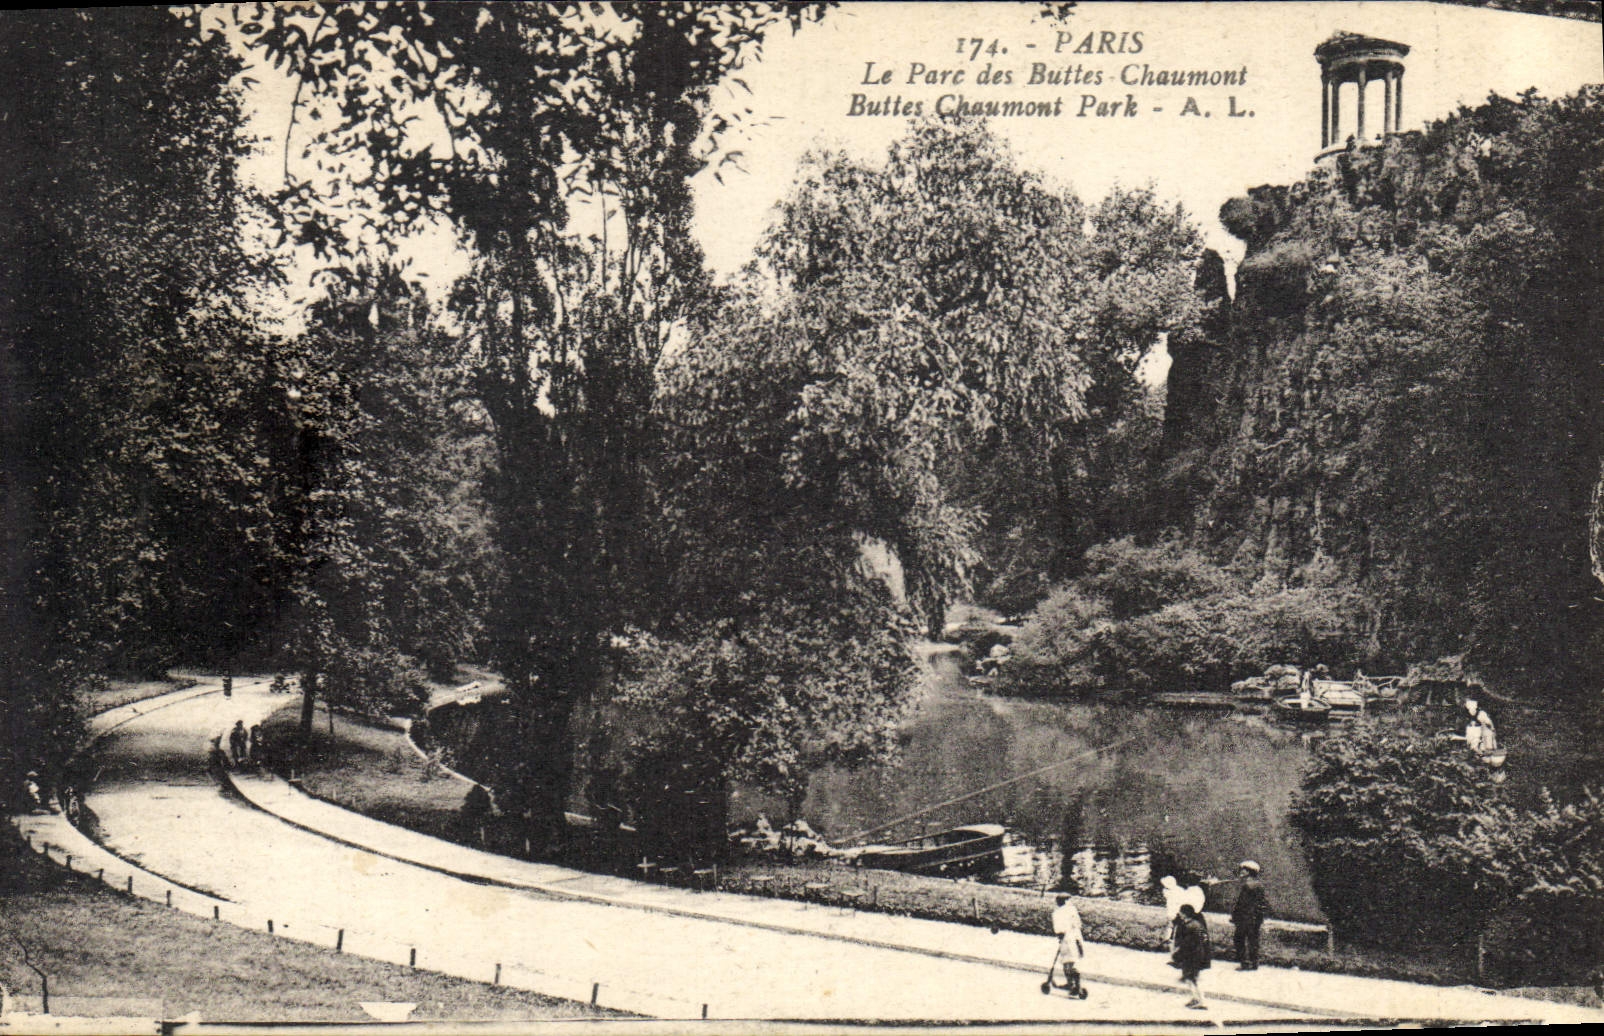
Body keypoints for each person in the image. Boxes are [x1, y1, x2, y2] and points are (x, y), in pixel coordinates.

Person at [1171, 901, 1212, 1010]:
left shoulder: (1188, 926)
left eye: (1180, 911)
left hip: (1192, 957)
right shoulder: (1197, 924)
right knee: (1191, 978)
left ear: (1184, 913)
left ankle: (1201, 1002)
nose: (1179, 913)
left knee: (1192, 979)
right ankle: (1195, 998)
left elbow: (1186, 944)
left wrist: (1177, 955)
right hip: (1198, 955)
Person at [1230, 860, 1269, 970]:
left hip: (1245, 918)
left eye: (1244, 870)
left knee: (1239, 939)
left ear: (1249, 872)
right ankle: (1254, 963)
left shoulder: (1247, 885)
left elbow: (1242, 904)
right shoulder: (1259, 885)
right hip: (1255, 918)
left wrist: (1235, 916)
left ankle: (1245, 963)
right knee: (1253, 940)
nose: (1241, 872)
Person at [1050, 893, 1087, 998]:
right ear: (1066, 901)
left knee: (1067, 964)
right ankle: (1074, 985)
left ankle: (1073, 985)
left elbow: (1058, 930)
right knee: (1071, 963)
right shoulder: (1072, 910)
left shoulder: (1056, 913)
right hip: (1075, 938)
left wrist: (1060, 936)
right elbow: (1078, 924)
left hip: (1066, 940)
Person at [1160, 875, 1187, 952]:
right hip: (1178, 911)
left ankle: (1167, 940)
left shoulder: (1166, 891)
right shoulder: (1180, 890)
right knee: (1176, 926)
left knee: (1170, 926)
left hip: (1171, 912)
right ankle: (1173, 941)